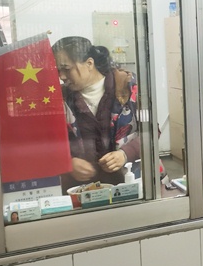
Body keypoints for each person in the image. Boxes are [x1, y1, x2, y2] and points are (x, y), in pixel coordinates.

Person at [52, 37, 140, 193]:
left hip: (129, 185)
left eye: (66, 68)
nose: (62, 76)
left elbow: (152, 131)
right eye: (58, 70)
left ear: (89, 63)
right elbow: (45, 142)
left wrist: (125, 154)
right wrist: (67, 163)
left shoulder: (128, 87)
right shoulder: (59, 98)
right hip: (80, 191)